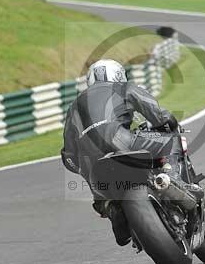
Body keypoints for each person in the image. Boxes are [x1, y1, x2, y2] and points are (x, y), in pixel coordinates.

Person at [61, 59, 193, 245]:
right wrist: (168, 122)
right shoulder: (123, 88)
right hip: (123, 141)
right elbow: (152, 109)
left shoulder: (73, 107)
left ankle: (112, 208)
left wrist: (84, 169)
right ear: (118, 74)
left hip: (93, 164)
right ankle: (172, 180)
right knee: (173, 141)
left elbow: (68, 157)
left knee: (101, 195)